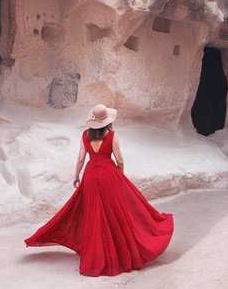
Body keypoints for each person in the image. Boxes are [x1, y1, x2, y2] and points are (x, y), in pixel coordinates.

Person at [24, 103, 174, 276]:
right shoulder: (112, 136)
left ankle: (95, 253)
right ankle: (118, 251)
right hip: (108, 175)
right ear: (108, 121)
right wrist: (120, 175)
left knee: (94, 214)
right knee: (115, 214)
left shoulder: (85, 135)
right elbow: (120, 160)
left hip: (90, 175)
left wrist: (76, 175)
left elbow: (81, 158)